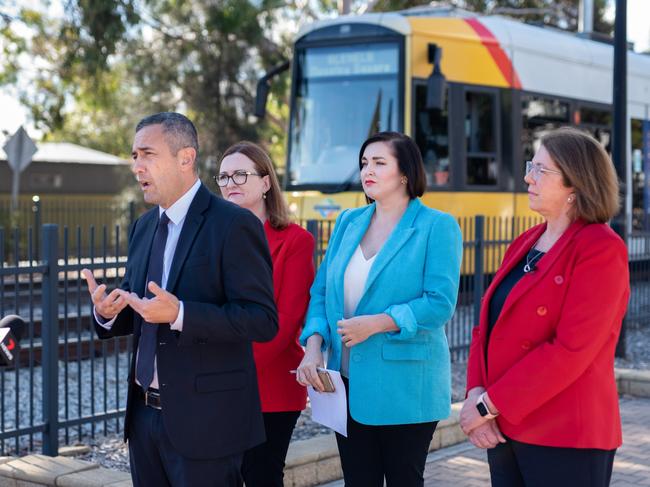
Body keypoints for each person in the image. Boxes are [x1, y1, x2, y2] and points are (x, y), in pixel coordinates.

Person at [81, 112, 278, 487]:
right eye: (134, 155)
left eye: (147, 154)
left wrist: (182, 314)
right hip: (142, 420)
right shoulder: (142, 227)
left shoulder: (233, 224)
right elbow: (142, 307)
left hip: (208, 424)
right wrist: (106, 313)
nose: (136, 165)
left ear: (185, 158)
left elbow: (261, 319)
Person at [460, 127, 630, 487]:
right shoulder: (526, 241)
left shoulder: (600, 247)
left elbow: (571, 349)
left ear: (575, 184)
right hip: (506, 424)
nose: (527, 177)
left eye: (540, 170)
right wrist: (475, 393)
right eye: (530, 166)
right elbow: (486, 327)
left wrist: (489, 404)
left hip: (566, 432)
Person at [296, 131, 463, 487]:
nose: (367, 170)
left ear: (405, 173)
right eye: (363, 163)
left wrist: (379, 323)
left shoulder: (437, 226)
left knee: (404, 480)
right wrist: (313, 348)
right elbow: (322, 292)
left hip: (407, 386)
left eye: (379, 162)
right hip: (346, 382)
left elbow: (440, 303)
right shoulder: (348, 222)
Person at [216, 141, 315, 486]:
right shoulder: (211, 238)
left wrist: (226, 370)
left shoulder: (295, 241)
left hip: (269, 389)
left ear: (265, 182)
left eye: (241, 174)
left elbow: (286, 323)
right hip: (215, 386)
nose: (231, 183)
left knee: (261, 476)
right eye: (224, 177)